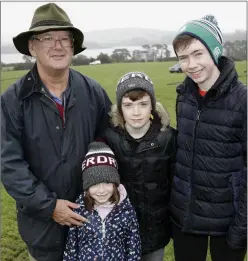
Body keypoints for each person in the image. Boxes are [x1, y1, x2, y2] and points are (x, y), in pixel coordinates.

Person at [1, 3, 112, 261]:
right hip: (41, 231)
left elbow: (110, 145)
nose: (58, 45)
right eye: (48, 38)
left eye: (65, 38)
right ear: (32, 46)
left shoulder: (93, 92)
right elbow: (10, 164)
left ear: (73, 46)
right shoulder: (13, 100)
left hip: (91, 222)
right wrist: (50, 207)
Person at [169, 14, 247, 261]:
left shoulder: (243, 101)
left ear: (215, 51)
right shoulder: (184, 96)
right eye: (183, 57)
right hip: (187, 221)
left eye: (198, 53)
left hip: (228, 223)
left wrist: (242, 229)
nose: (191, 64)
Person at [103, 72, 177, 261]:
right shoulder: (109, 138)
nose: (136, 112)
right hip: (119, 233)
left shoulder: (168, 138)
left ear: (152, 105)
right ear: (119, 108)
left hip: (156, 233)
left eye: (143, 104)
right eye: (128, 105)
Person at [63, 141, 141, 261]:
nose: (101, 190)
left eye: (107, 183)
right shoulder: (79, 210)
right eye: (94, 184)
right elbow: (72, 245)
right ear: (87, 187)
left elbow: (133, 246)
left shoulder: (127, 211)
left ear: (115, 184)